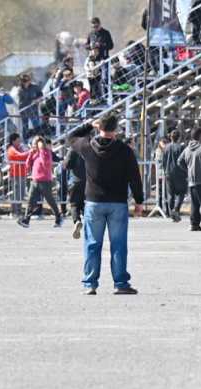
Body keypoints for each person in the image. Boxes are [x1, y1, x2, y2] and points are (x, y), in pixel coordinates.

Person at [70, 112, 144, 295]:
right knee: (118, 244)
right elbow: (134, 177)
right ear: (116, 129)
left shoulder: (87, 146)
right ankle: (120, 283)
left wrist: (89, 125)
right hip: (118, 202)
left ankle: (90, 283)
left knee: (92, 244)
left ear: (100, 128)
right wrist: (139, 201)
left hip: (94, 202)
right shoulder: (125, 150)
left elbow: (71, 137)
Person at [17, 136, 62, 228]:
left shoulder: (47, 152)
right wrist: (30, 154)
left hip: (45, 181)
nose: (34, 145)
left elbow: (45, 163)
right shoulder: (35, 153)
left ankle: (58, 216)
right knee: (30, 200)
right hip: (35, 180)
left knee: (50, 200)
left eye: (36, 143)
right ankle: (26, 219)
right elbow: (28, 165)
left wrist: (41, 150)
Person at [162, 130, 188, 222]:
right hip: (179, 173)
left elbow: (163, 161)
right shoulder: (181, 147)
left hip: (168, 173)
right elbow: (183, 160)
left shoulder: (166, 148)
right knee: (182, 192)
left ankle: (172, 213)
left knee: (170, 194)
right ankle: (176, 209)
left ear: (170, 137)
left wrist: (165, 171)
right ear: (179, 138)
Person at [6, 133, 30, 216]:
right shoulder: (11, 149)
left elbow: (25, 156)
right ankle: (14, 211)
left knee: (21, 193)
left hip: (22, 173)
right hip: (15, 174)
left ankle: (18, 210)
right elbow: (20, 156)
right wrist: (29, 152)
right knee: (17, 193)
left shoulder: (20, 148)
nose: (20, 142)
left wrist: (26, 151)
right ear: (13, 141)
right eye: (18, 140)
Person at [16, 75, 42, 139]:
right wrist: (31, 101)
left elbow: (40, 94)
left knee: (36, 125)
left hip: (34, 110)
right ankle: (25, 140)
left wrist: (38, 99)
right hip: (24, 111)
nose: (27, 82)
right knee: (25, 127)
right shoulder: (20, 90)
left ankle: (39, 139)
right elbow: (21, 102)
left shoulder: (35, 87)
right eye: (25, 80)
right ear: (22, 82)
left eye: (28, 80)